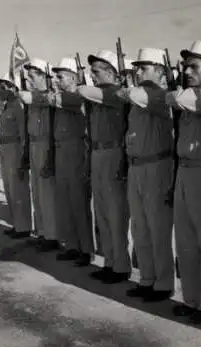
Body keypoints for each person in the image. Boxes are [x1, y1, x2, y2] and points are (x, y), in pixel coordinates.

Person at [166, 40, 201, 324]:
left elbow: (177, 99)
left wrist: (178, 91)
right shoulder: (189, 96)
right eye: (185, 66)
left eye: (194, 66)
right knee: (186, 241)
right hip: (185, 172)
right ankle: (192, 299)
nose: (187, 71)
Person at [23, 57, 94, 265]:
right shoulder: (61, 96)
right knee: (64, 203)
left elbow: (52, 100)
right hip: (61, 149)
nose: (56, 80)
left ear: (72, 78)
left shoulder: (75, 97)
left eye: (60, 76)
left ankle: (85, 249)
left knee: (79, 204)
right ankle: (71, 245)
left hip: (75, 151)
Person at [116, 48, 174, 302]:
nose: (137, 71)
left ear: (160, 71)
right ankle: (147, 278)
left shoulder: (157, 95)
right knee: (140, 227)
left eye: (144, 67)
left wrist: (125, 86)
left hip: (156, 166)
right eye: (136, 67)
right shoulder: (139, 99)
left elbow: (126, 92)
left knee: (157, 227)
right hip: (137, 166)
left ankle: (163, 283)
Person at [77, 50, 131, 283]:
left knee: (115, 212)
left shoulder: (113, 93)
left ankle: (120, 266)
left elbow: (82, 90)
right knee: (102, 212)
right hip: (98, 152)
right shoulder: (97, 96)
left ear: (111, 72)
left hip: (114, 152)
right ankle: (109, 261)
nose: (92, 75)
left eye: (97, 71)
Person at [20, 58, 60, 252]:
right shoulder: (32, 99)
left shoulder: (49, 98)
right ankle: (42, 232)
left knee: (47, 194)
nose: (29, 81)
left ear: (44, 76)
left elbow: (53, 130)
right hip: (34, 145)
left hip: (46, 146)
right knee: (36, 192)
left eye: (33, 77)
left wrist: (51, 156)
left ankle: (52, 236)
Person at [0, 73, 32, 239]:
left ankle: (23, 226)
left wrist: (24, 154)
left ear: (13, 88)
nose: (0, 90)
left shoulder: (18, 106)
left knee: (18, 188)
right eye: (0, 87)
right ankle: (16, 223)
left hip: (15, 149)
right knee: (9, 188)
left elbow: (23, 132)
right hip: (4, 148)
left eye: (4, 87)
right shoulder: (7, 106)